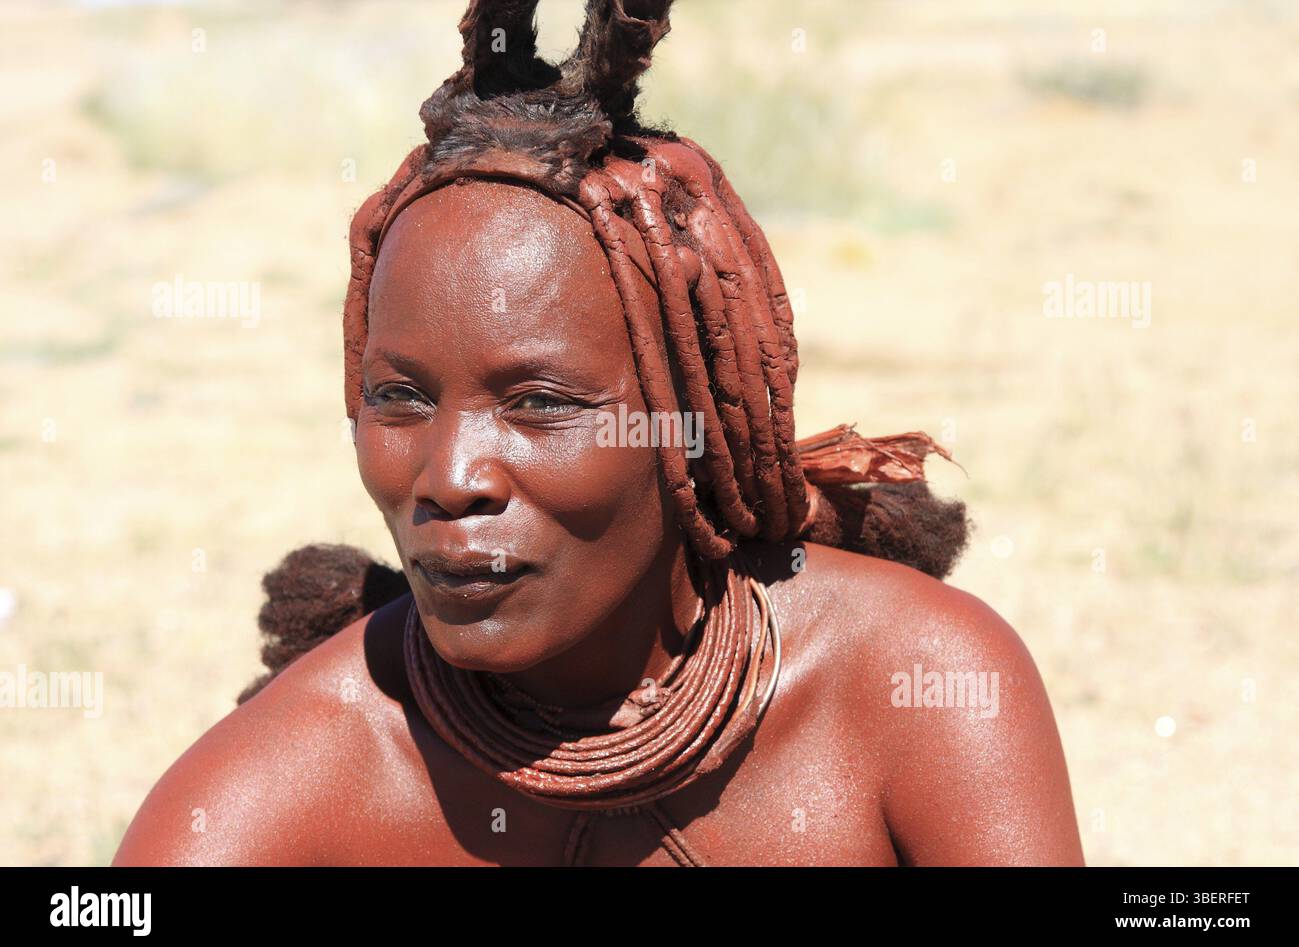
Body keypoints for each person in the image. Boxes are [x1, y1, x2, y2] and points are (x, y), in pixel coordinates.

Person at [114, 0, 1084, 866]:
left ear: (690, 426)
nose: (449, 478)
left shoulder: (912, 688)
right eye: (399, 398)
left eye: (538, 403)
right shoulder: (307, 768)